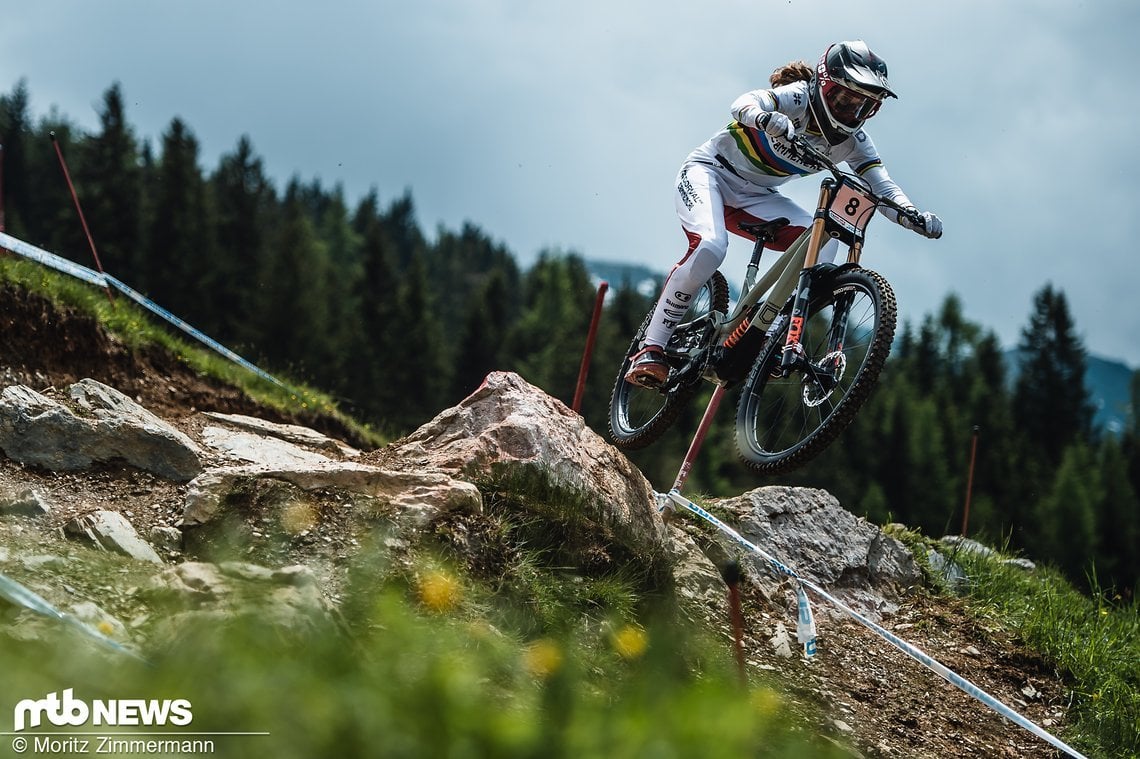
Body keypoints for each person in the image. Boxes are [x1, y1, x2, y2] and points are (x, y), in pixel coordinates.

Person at [625, 40, 943, 388]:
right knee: (711, 248)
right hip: (709, 173)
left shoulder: (855, 142)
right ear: (822, 86)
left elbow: (883, 188)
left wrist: (912, 215)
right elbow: (743, 103)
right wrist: (765, 118)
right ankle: (651, 348)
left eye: (863, 106)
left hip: (757, 196)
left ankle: (769, 335)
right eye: (843, 99)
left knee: (824, 243)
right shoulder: (798, 98)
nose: (850, 111)